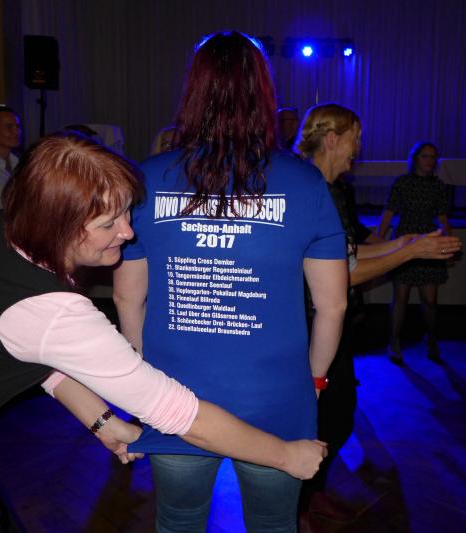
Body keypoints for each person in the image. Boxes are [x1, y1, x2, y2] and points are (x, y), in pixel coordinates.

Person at [0, 132, 327, 532]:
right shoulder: (53, 311)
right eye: (110, 222)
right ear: (60, 225)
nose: (128, 232)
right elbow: (179, 413)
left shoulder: (3, 228)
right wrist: (286, 455)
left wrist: (102, 422)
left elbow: (35, 355)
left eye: (127, 212)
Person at [112, 32, 348, 533]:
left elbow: (127, 296)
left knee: (178, 520)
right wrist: (315, 381)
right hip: (275, 398)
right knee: (273, 524)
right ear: (264, 93)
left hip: (174, 397)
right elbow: (333, 306)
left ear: (193, 91)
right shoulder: (305, 183)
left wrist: (141, 380)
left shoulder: (146, 180)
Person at [294, 103, 461, 519]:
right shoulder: (312, 190)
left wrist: (406, 243)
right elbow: (341, 275)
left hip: (329, 324)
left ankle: (308, 492)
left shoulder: (331, 189)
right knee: (328, 417)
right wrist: (411, 252)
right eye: (356, 138)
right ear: (332, 138)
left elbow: (349, 255)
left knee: (337, 415)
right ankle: (296, 501)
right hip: (309, 325)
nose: (359, 148)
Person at [378, 142, 452, 363]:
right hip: (405, 240)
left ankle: (431, 338)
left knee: (430, 299)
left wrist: (448, 243)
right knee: (400, 296)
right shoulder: (402, 183)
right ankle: (394, 341)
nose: (429, 161)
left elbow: (443, 217)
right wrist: (379, 242)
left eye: (433, 157)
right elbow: (389, 212)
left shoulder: (438, 185)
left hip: (429, 242)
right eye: (425, 156)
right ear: (415, 158)